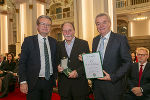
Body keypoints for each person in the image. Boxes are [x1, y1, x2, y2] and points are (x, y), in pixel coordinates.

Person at [92, 13, 131, 100]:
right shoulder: (95, 40)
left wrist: (113, 76)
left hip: (113, 86)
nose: (101, 26)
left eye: (104, 22)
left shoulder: (120, 39)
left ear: (109, 23)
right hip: (97, 86)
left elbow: (127, 62)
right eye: (98, 23)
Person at [19, 15, 57, 100]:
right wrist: (23, 81)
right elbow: (22, 63)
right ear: (37, 26)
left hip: (49, 81)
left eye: (48, 25)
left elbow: (55, 61)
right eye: (43, 24)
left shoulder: (54, 42)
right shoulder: (28, 41)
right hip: (33, 82)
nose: (45, 26)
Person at [57, 22, 90, 100]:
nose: (67, 33)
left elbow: (88, 63)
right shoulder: (58, 45)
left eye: (70, 30)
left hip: (80, 86)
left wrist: (77, 72)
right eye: (65, 31)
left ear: (74, 31)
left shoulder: (83, 44)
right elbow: (56, 61)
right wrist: (58, 67)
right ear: (62, 32)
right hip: (64, 88)